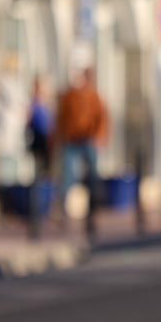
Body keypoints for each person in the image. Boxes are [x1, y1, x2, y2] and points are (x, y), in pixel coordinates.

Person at [56, 67, 109, 237]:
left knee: (92, 177)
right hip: (72, 140)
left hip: (88, 140)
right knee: (68, 176)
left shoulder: (93, 96)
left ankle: (92, 212)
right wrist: (60, 137)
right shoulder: (70, 96)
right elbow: (62, 118)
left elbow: (102, 118)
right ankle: (64, 210)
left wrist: (99, 137)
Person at [26, 76, 54, 239]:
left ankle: (45, 210)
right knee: (38, 179)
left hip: (47, 144)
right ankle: (37, 214)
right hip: (39, 143)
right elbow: (30, 125)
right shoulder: (35, 106)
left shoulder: (45, 105)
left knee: (46, 178)